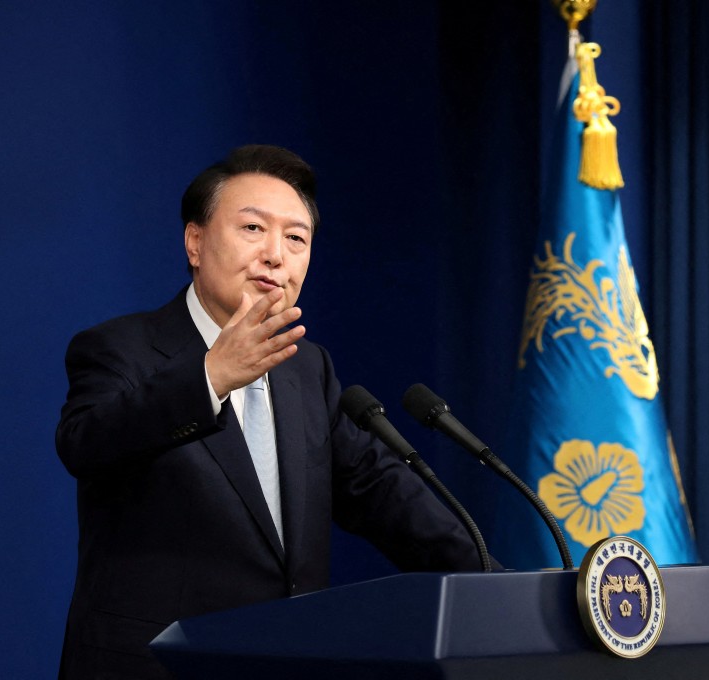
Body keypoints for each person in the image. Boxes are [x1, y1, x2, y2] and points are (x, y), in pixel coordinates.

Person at [55, 145, 483, 678]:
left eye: (296, 239)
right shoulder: (120, 348)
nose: (276, 254)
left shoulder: (306, 369)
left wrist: (500, 584)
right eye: (253, 229)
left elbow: (384, 495)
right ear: (195, 241)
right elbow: (86, 443)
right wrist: (210, 377)